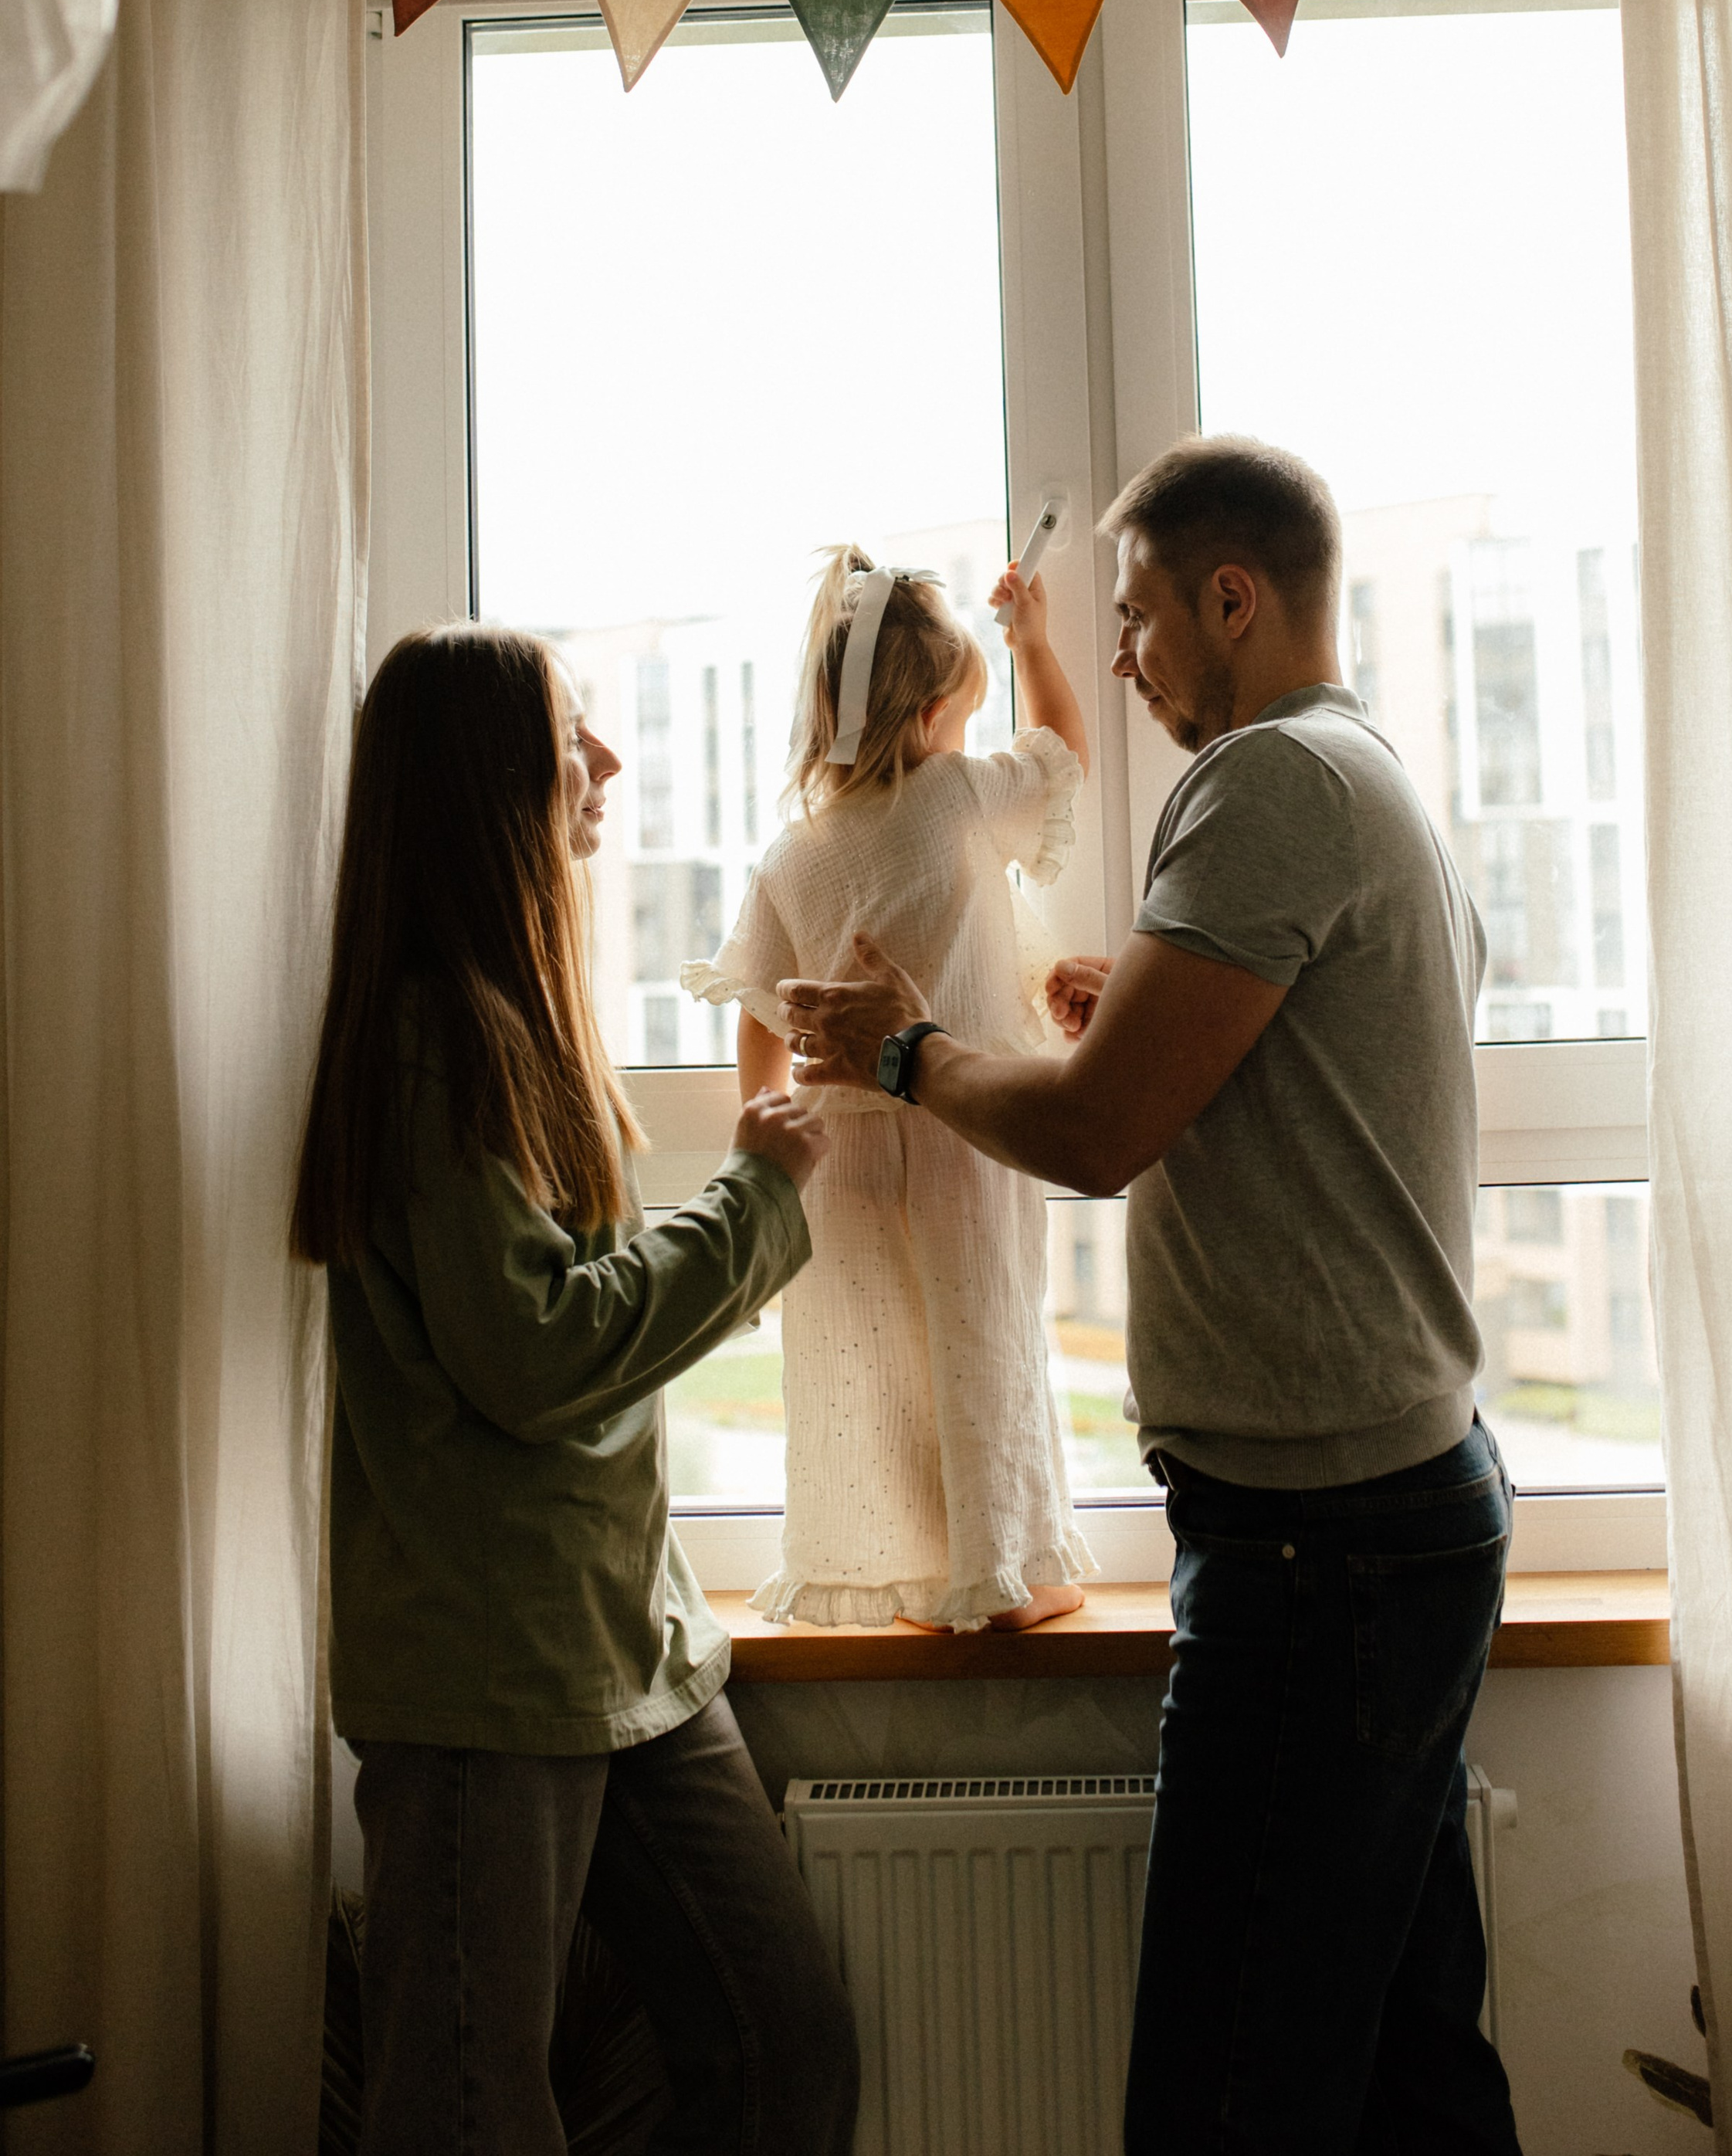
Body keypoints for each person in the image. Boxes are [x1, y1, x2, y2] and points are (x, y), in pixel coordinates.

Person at [782, 437, 1524, 2156]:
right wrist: (1158, 992)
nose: (1114, 657)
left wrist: (902, 1051)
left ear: (1230, 599)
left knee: (1221, 2100)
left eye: (1132, 619)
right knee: (1413, 2076)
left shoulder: (1265, 782)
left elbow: (1100, 1131)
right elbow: (1349, 1065)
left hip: (1316, 1552)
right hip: (1394, 1513)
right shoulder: (1367, 772)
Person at [290, 622, 858, 2156]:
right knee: (468, 2117)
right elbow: (537, 1353)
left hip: (628, 1652)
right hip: (488, 1683)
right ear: (487, 787)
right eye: (569, 738)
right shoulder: (433, 1045)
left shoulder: (519, 1020)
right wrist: (759, 1194)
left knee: (782, 2045)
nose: (604, 765)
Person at [683, 545, 1094, 1630]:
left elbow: (760, 1020)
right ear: (927, 724)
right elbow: (1063, 756)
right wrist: (1038, 643)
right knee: (979, 1341)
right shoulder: (958, 797)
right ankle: (1001, 1575)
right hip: (955, 1127)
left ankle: (896, 1569)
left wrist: (758, 1164)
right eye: (966, 712)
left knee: (870, 1369)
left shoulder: (794, 853)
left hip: (832, 1159)